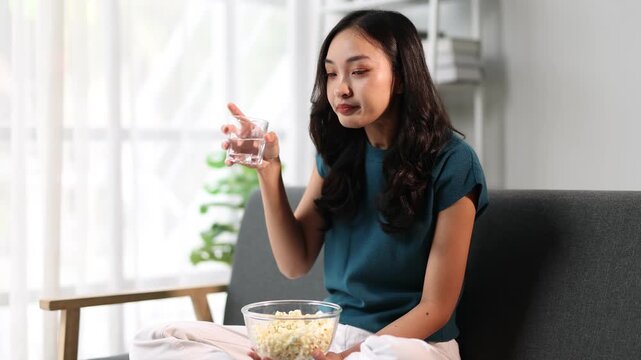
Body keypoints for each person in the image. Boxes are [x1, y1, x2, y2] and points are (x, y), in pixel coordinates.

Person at [131, 9, 488, 360]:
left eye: (359, 71)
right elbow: (294, 262)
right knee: (158, 338)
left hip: (410, 345)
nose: (341, 89)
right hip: (331, 337)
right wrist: (269, 170)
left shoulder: (453, 162)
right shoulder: (337, 155)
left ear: (403, 77)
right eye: (331, 74)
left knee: (387, 355)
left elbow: (436, 308)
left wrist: (349, 356)